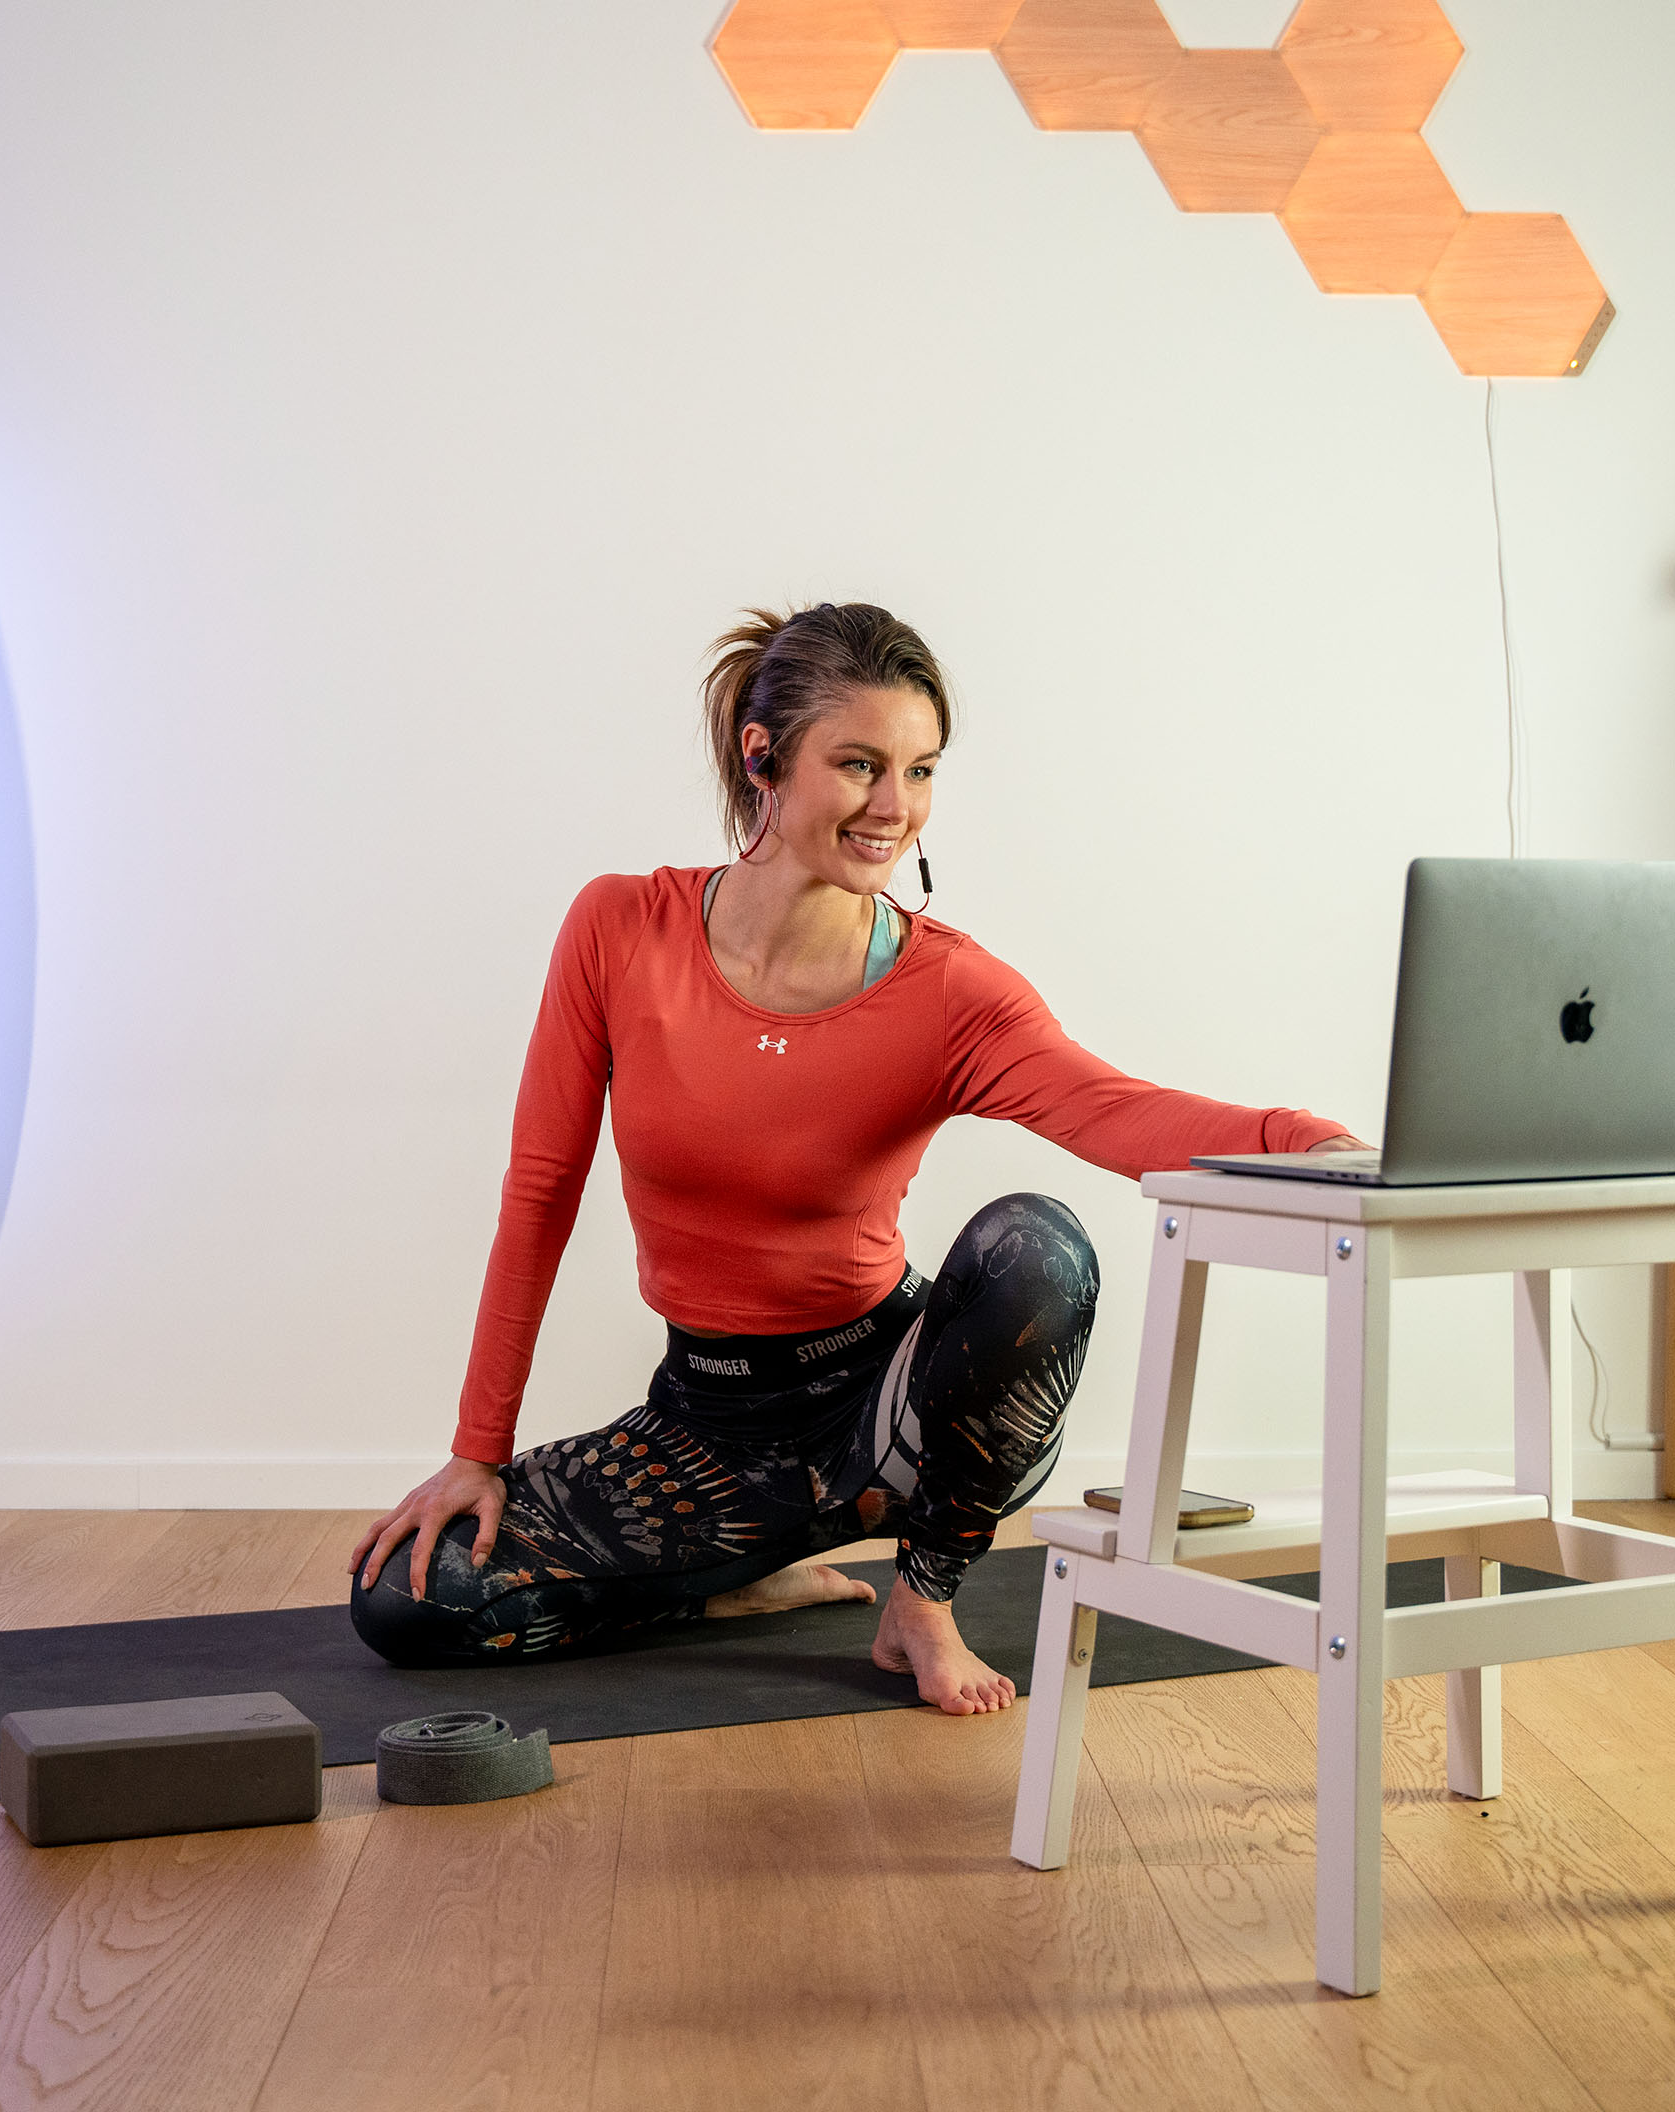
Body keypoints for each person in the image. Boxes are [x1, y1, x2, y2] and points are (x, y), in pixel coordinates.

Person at [349, 602, 1360, 1714]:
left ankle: (920, 1595)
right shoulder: (616, 929)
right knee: (406, 1598)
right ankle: (724, 1572)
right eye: (860, 764)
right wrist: (474, 1449)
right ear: (761, 755)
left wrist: (1308, 1142)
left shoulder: (948, 989)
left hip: (891, 1412)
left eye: (920, 769)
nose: (896, 807)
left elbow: (1115, 1111)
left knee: (1037, 1249)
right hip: (705, 1422)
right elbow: (540, 1188)